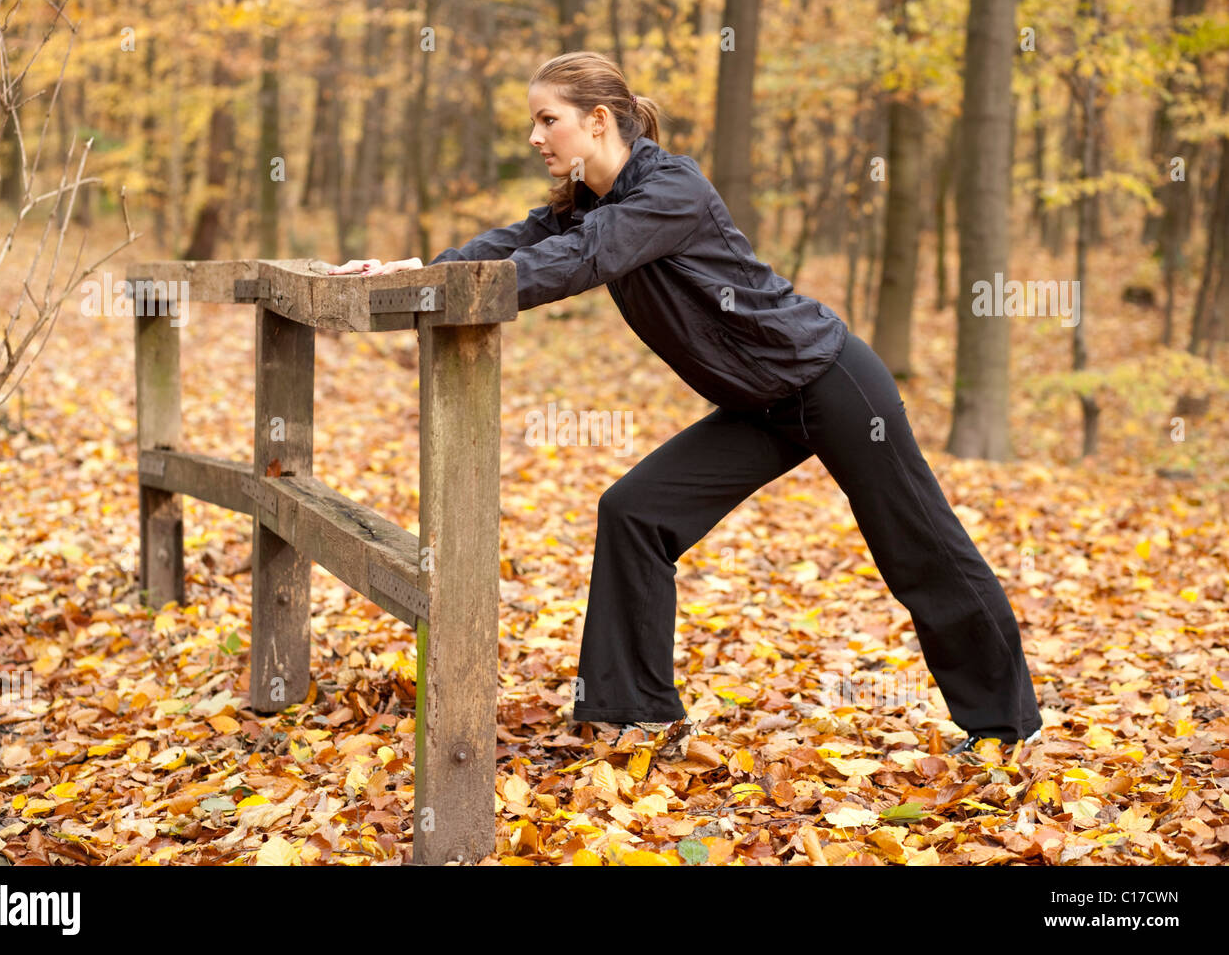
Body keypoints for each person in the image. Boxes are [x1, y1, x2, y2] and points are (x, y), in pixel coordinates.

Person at [330, 51, 1043, 756]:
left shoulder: (671, 189)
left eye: (549, 120)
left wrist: (461, 291)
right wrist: (425, 271)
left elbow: (582, 257)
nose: (535, 137)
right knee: (636, 512)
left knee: (920, 548)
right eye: (533, 122)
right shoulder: (590, 198)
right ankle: (637, 711)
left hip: (831, 383)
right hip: (759, 405)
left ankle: (1004, 728)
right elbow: (522, 240)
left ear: (599, 120)